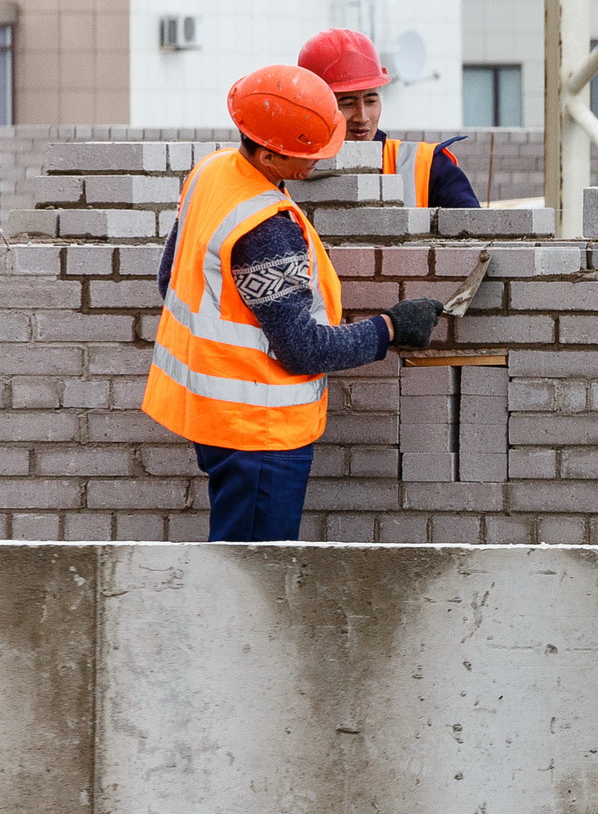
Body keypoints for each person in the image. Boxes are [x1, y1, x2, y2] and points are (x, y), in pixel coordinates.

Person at [144, 65, 444, 542]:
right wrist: (389, 328)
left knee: (241, 566)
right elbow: (302, 349)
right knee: (254, 580)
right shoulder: (266, 228)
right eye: (306, 155)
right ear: (267, 153)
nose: (317, 163)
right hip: (258, 431)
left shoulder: (214, 172)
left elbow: (169, 280)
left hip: (218, 419)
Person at [296, 27, 481, 209]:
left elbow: (473, 231)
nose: (362, 117)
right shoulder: (286, 167)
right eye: (347, 103)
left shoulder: (427, 166)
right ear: (313, 106)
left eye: (370, 100)